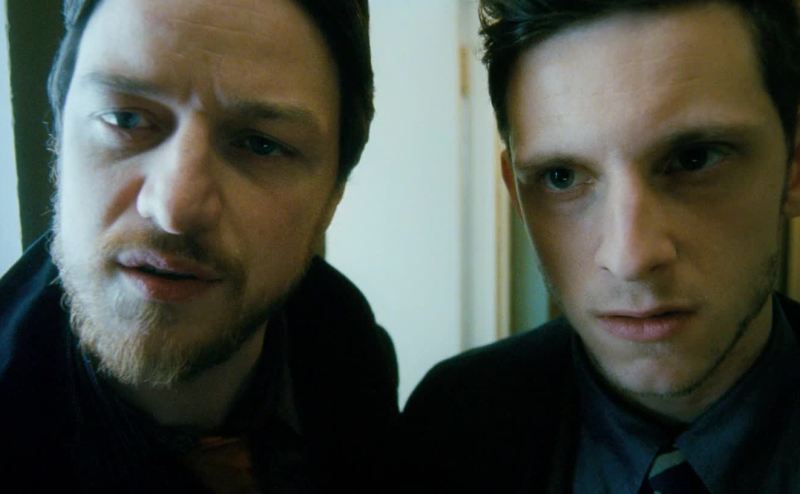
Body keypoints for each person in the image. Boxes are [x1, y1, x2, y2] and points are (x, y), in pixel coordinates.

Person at [397, 1, 800, 492]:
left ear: (794, 166)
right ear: (517, 195)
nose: (630, 258)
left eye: (694, 159)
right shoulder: (449, 427)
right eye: (561, 177)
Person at [0, 0, 398, 492]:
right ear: (59, 138)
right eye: (125, 119)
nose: (174, 209)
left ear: (331, 198)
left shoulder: (351, 354)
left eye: (260, 144)